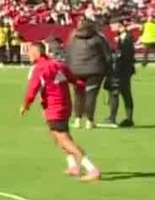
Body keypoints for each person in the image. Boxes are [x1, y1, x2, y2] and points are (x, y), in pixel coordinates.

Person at [20, 41, 100, 182]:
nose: (28, 54)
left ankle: (92, 169)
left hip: (54, 108)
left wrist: (26, 104)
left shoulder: (40, 69)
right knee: (57, 136)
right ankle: (73, 165)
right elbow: (74, 80)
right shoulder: (59, 66)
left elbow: (32, 89)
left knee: (64, 140)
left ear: (38, 53)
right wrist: (82, 87)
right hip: (63, 106)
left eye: (30, 52)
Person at [65, 19, 112, 130]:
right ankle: (89, 121)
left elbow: (67, 53)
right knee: (91, 96)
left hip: (75, 71)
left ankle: (77, 120)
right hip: (95, 71)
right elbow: (108, 56)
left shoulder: (73, 38)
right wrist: (108, 70)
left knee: (78, 95)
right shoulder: (98, 38)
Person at [106, 23, 136, 128]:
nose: (111, 29)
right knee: (124, 93)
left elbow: (126, 56)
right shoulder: (124, 37)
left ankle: (113, 118)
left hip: (122, 71)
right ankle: (127, 118)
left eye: (113, 26)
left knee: (116, 93)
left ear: (119, 26)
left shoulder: (127, 38)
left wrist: (116, 58)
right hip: (124, 70)